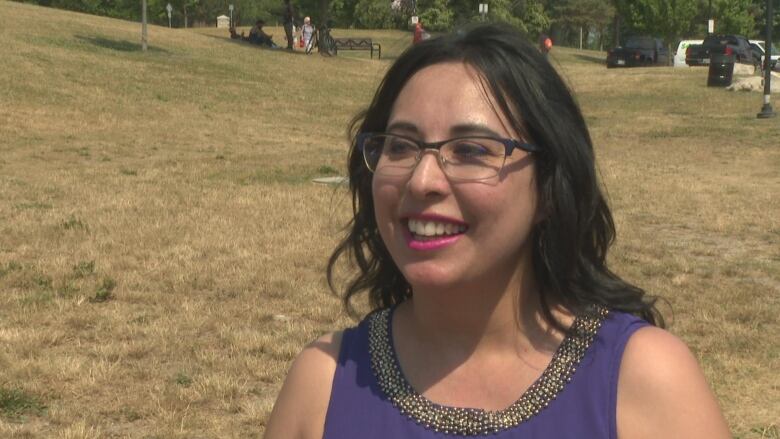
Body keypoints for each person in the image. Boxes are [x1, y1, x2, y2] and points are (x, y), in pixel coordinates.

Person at [264, 23, 731, 439]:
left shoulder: (643, 379)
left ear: (549, 188)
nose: (422, 180)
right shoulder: (322, 383)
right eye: (401, 146)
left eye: (470, 150)